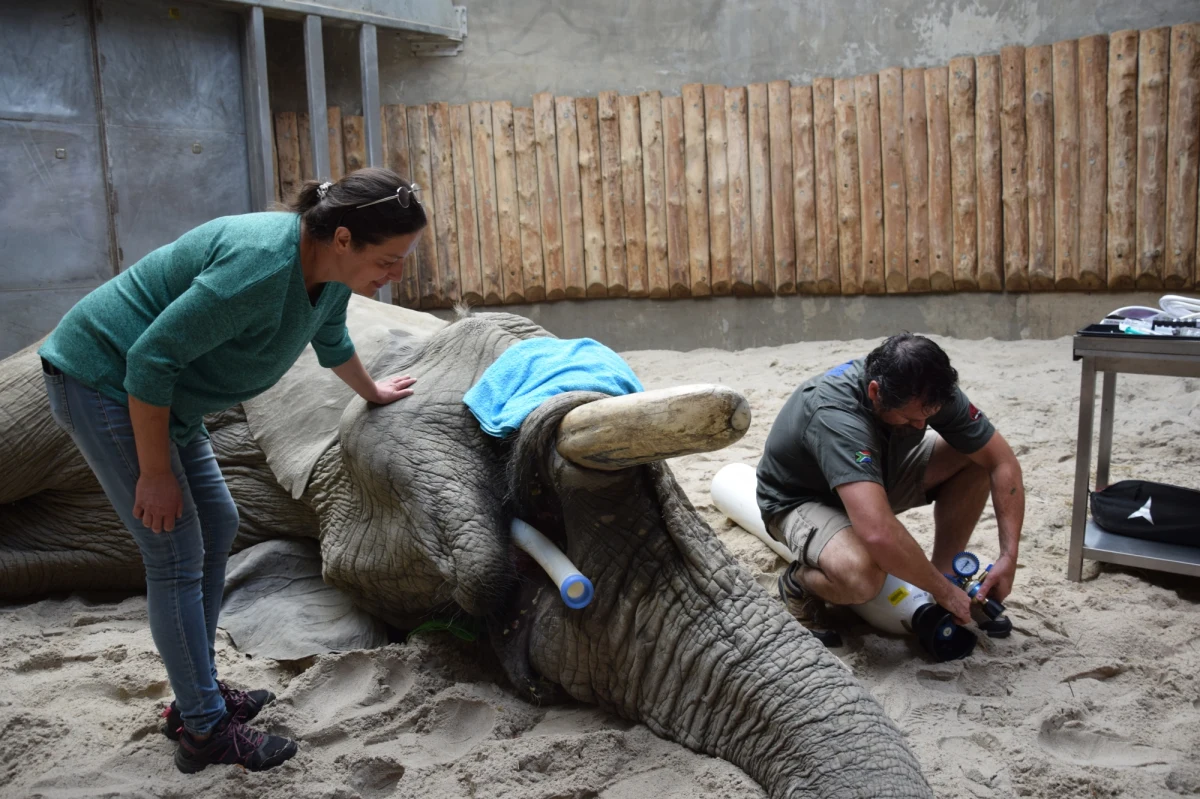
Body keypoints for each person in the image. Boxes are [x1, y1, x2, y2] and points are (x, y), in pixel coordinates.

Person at [37, 168, 426, 773]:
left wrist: (372, 390)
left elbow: (330, 338)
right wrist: (155, 474)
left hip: (170, 397)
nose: (397, 273)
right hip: (106, 380)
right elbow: (149, 360)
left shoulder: (329, 273)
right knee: (173, 551)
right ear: (344, 238)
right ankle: (205, 731)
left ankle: (199, 695)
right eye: (389, 259)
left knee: (218, 521)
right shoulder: (259, 268)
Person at [756, 333, 1024, 645]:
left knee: (974, 457)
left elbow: (1002, 462)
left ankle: (947, 572)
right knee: (862, 576)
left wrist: (1008, 557)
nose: (921, 427)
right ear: (875, 391)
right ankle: (799, 583)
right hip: (800, 500)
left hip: (873, 477)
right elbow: (878, 532)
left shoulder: (927, 387)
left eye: (927, 418)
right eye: (910, 419)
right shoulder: (836, 413)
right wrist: (943, 593)